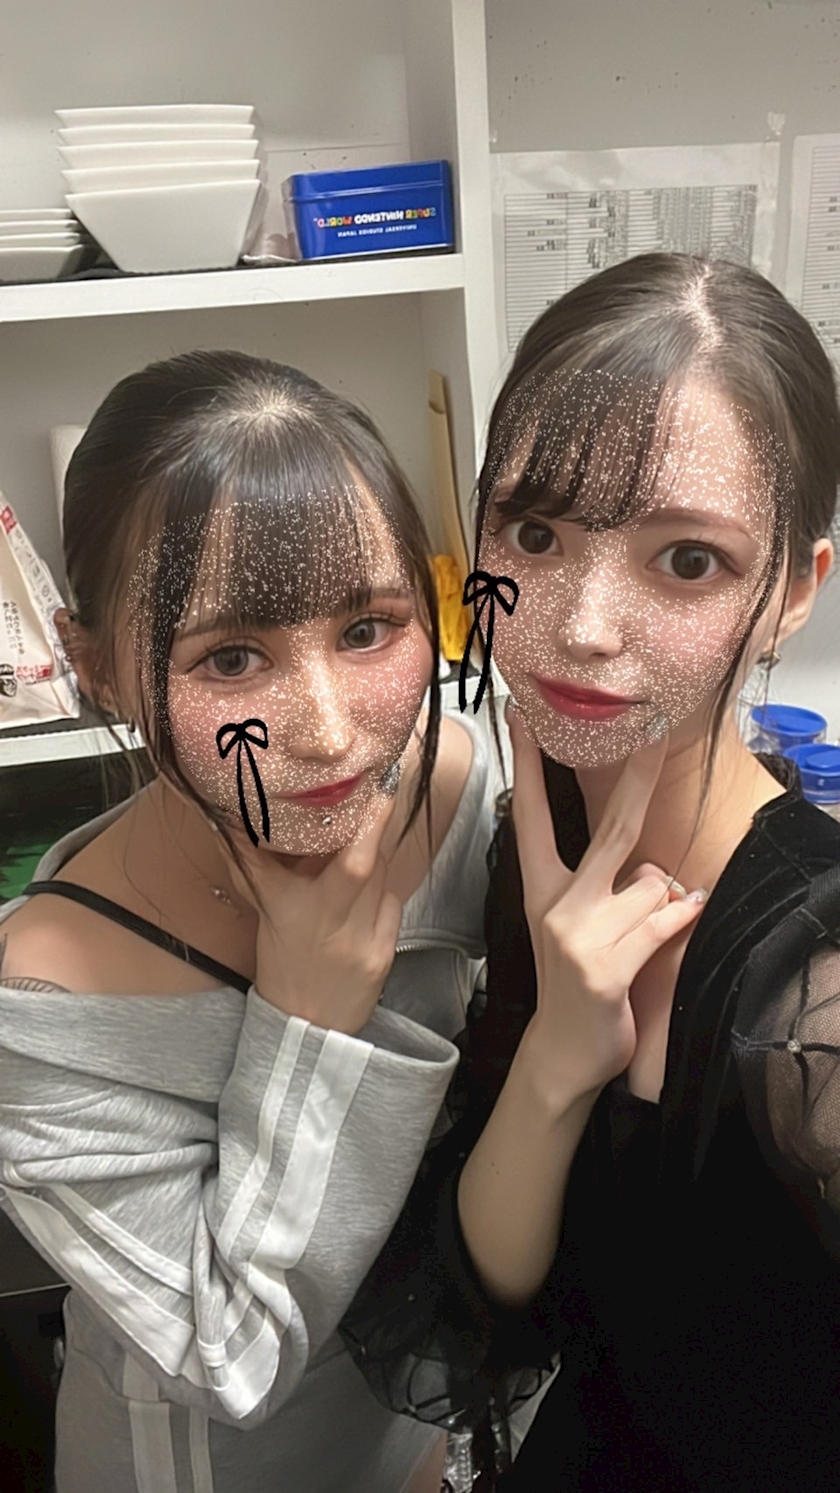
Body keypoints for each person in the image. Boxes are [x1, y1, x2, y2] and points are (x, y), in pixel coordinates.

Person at [341, 253, 840, 1492]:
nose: (581, 625)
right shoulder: (543, 836)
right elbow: (506, 1301)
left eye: (687, 560)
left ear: (793, 590)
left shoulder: (817, 993)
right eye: (535, 532)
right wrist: (561, 1052)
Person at [0, 350, 504, 1493]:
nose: (327, 730)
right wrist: (307, 1016)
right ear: (95, 666)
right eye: (232, 656)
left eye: (368, 628)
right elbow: (232, 1356)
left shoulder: (456, 787)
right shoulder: (42, 1004)